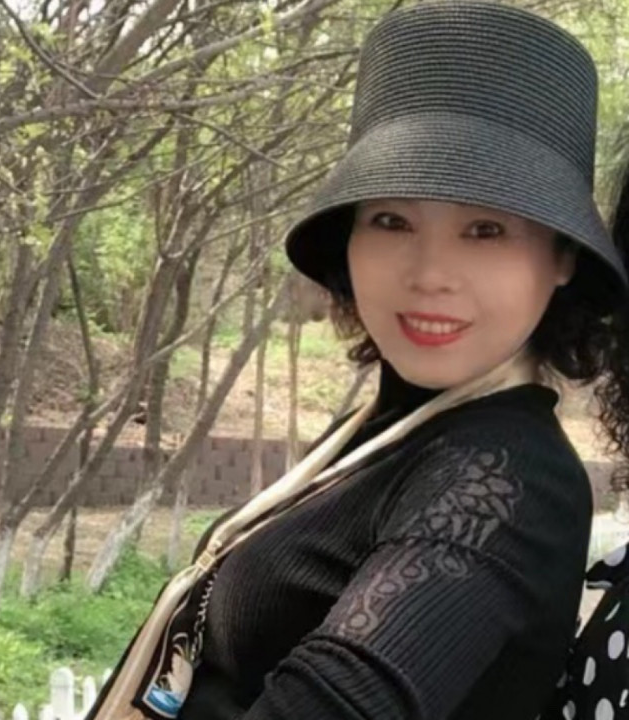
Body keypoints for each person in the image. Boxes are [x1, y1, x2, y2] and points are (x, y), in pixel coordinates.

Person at [87, 2, 629, 719]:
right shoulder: (397, 428)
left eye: (485, 230)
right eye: (391, 220)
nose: (429, 273)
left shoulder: (501, 481)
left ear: (562, 257)